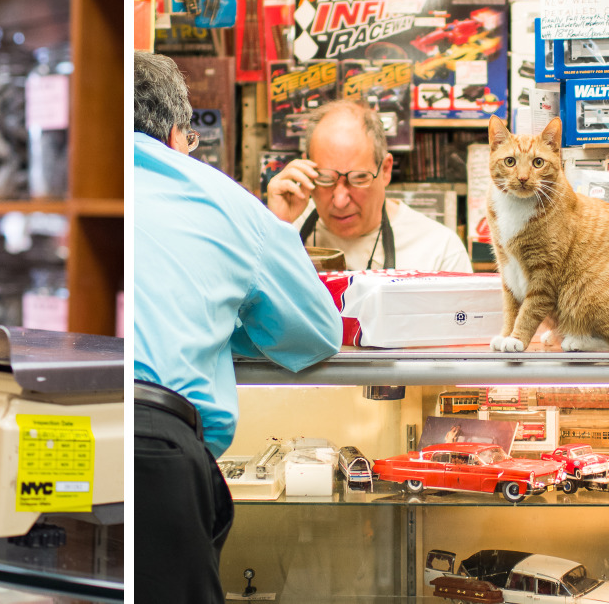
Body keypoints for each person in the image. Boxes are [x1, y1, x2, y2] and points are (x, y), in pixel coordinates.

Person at [134, 50, 343, 602]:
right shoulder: (224, 202)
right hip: (151, 451)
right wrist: (219, 318)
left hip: (45, 427)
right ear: (178, 133)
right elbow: (319, 332)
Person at [267, 99, 472, 272]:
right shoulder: (285, 231)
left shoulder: (439, 252)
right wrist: (276, 227)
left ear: (385, 170)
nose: (340, 201)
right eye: (325, 178)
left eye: (358, 178)